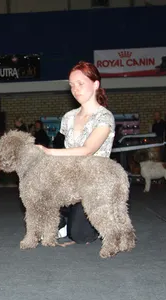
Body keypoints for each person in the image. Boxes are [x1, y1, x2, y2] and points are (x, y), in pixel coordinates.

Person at [37, 61, 115, 246]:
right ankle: (61, 221)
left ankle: (103, 218)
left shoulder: (105, 117)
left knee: (80, 235)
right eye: (72, 85)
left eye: (80, 83)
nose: (75, 89)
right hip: (72, 177)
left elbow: (88, 150)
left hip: (94, 180)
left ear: (96, 84)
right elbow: (65, 150)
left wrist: (48, 152)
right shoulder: (68, 117)